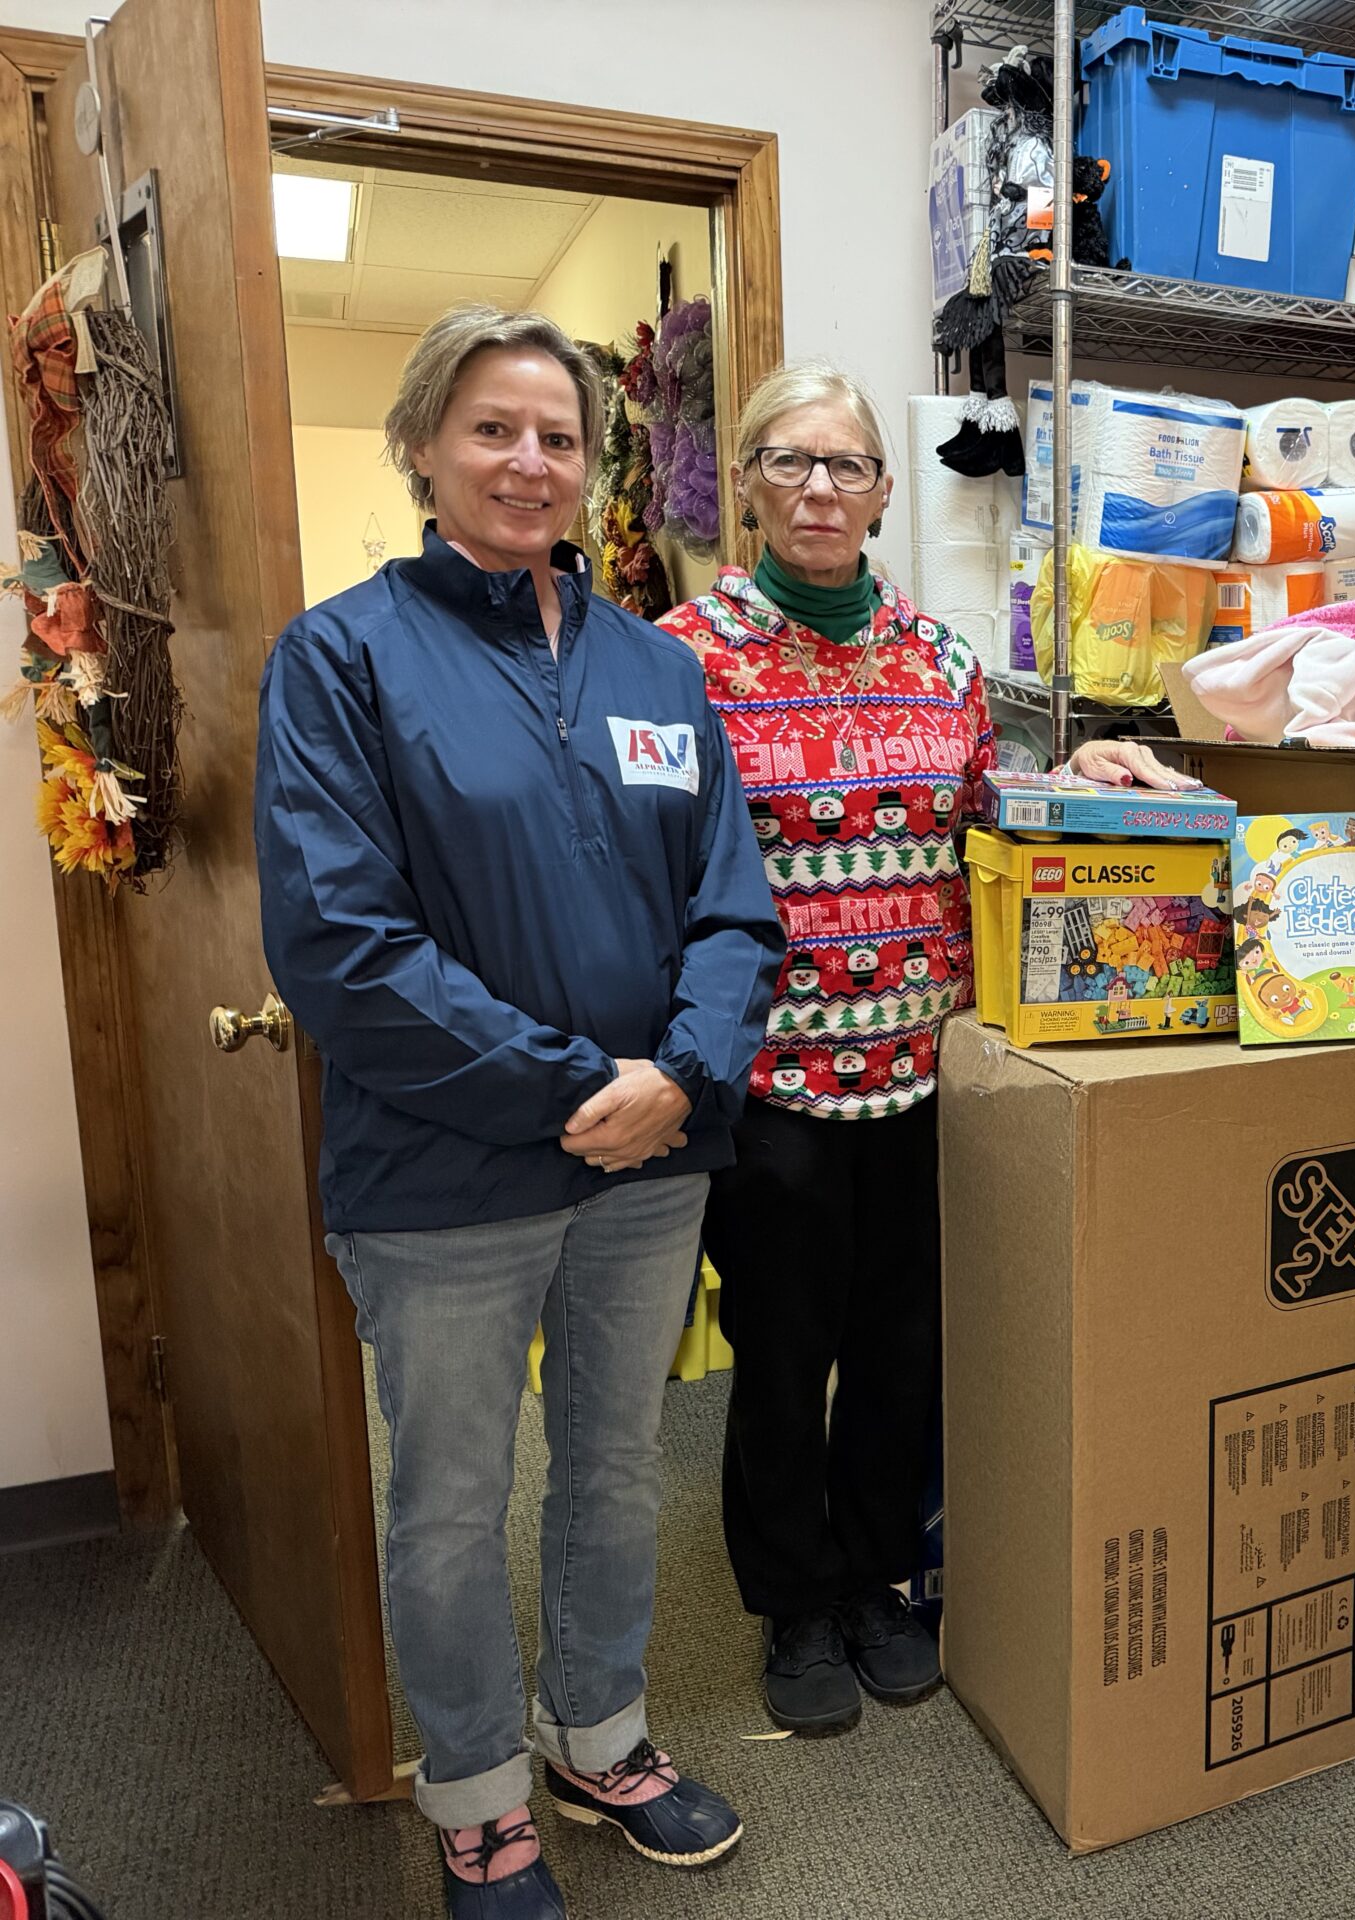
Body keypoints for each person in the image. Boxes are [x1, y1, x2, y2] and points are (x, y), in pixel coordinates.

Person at [256, 305, 785, 1920]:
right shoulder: (342, 658)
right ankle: (479, 1795)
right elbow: (344, 947)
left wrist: (680, 1075)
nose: (528, 461)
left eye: (559, 435)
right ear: (424, 445)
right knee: (448, 1502)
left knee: (616, 1468)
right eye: (492, 427)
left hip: (653, 1162)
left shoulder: (658, 666)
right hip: (444, 1177)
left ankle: (598, 1736)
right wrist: (581, 1090)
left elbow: (733, 908)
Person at [659, 362, 1193, 1735]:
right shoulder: (681, 659)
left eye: (845, 465)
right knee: (785, 1356)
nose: (819, 489)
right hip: (772, 1081)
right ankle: (794, 1600)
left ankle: (876, 1577)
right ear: (749, 484)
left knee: (903, 1346)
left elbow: (976, 813)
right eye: (789, 463)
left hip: (921, 1070)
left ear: (884, 490)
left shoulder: (937, 656)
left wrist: (1076, 773)